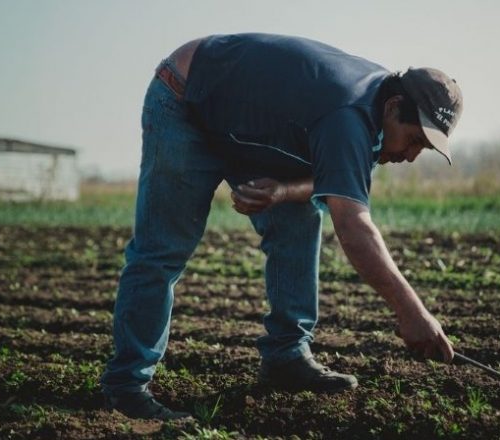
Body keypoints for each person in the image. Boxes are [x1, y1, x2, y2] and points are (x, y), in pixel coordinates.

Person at [100, 33, 463, 421]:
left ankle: (287, 357)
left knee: (299, 216)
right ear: (394, 108)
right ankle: (126, 387)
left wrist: (284, 189)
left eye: (421, 149)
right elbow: (354, 224)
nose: (409, 156)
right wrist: (411, 311)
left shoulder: (374, 115)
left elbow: (329, 178)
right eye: (413, 140)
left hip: (251, 127)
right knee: (163, 249)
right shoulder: (350, 114)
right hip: (188, 97)